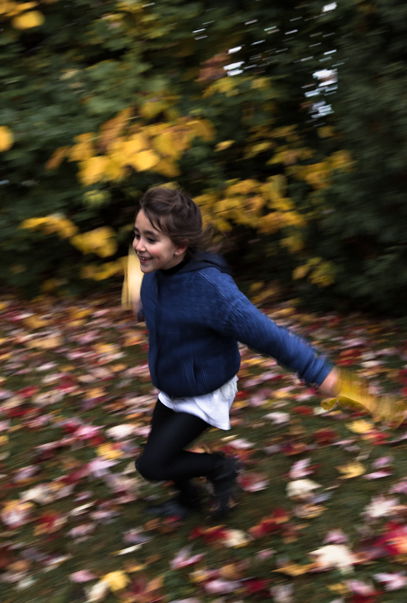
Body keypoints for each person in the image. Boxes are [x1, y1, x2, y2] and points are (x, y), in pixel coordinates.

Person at [130, 186, 339, 520]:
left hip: (205, 388)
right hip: (173, 381)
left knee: (152, 464)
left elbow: (268, 335)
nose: (139, 246)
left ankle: (221, 467)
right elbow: (170, 309)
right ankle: (189, 500)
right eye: (137, 235)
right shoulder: (154, 273)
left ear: (181, 246)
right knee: (165, 453)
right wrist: (144, 307)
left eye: (150, 239)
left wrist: (317, 372)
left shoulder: (213, 291)